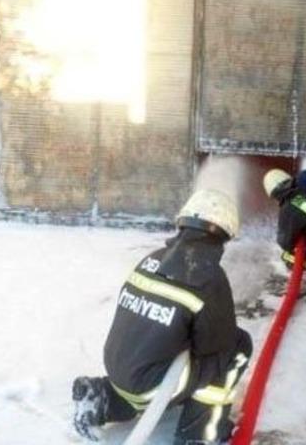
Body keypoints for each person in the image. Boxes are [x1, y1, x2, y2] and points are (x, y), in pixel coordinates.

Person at [71, 189, 252, 445]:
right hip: (150, 388)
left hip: (119, 370)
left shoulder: (152, 259)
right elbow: (215, 348)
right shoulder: (209, 277)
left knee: (149, 370)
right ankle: (200, 432)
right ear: (225, 233)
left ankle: (102, 396)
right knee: (237, 346)